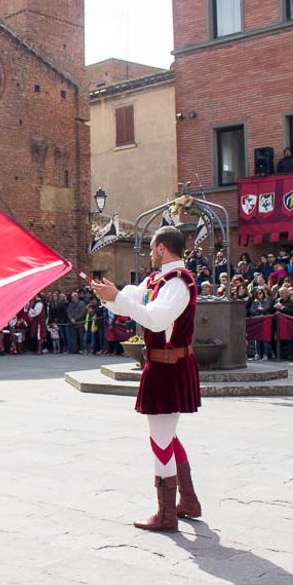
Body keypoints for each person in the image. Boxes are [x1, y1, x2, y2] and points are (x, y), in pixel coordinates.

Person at [92, 226, 202, 533]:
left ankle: (166, 513)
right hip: (162, 365)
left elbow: (154, 318)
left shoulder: (178, 283)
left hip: (169, 366)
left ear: (162, 248)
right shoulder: (159, 280)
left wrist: (118, 298)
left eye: (153, 248)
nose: (150, 253)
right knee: (167, 435)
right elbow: (132, 300)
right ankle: (188, 500)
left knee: (161, 439)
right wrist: (109, 296)